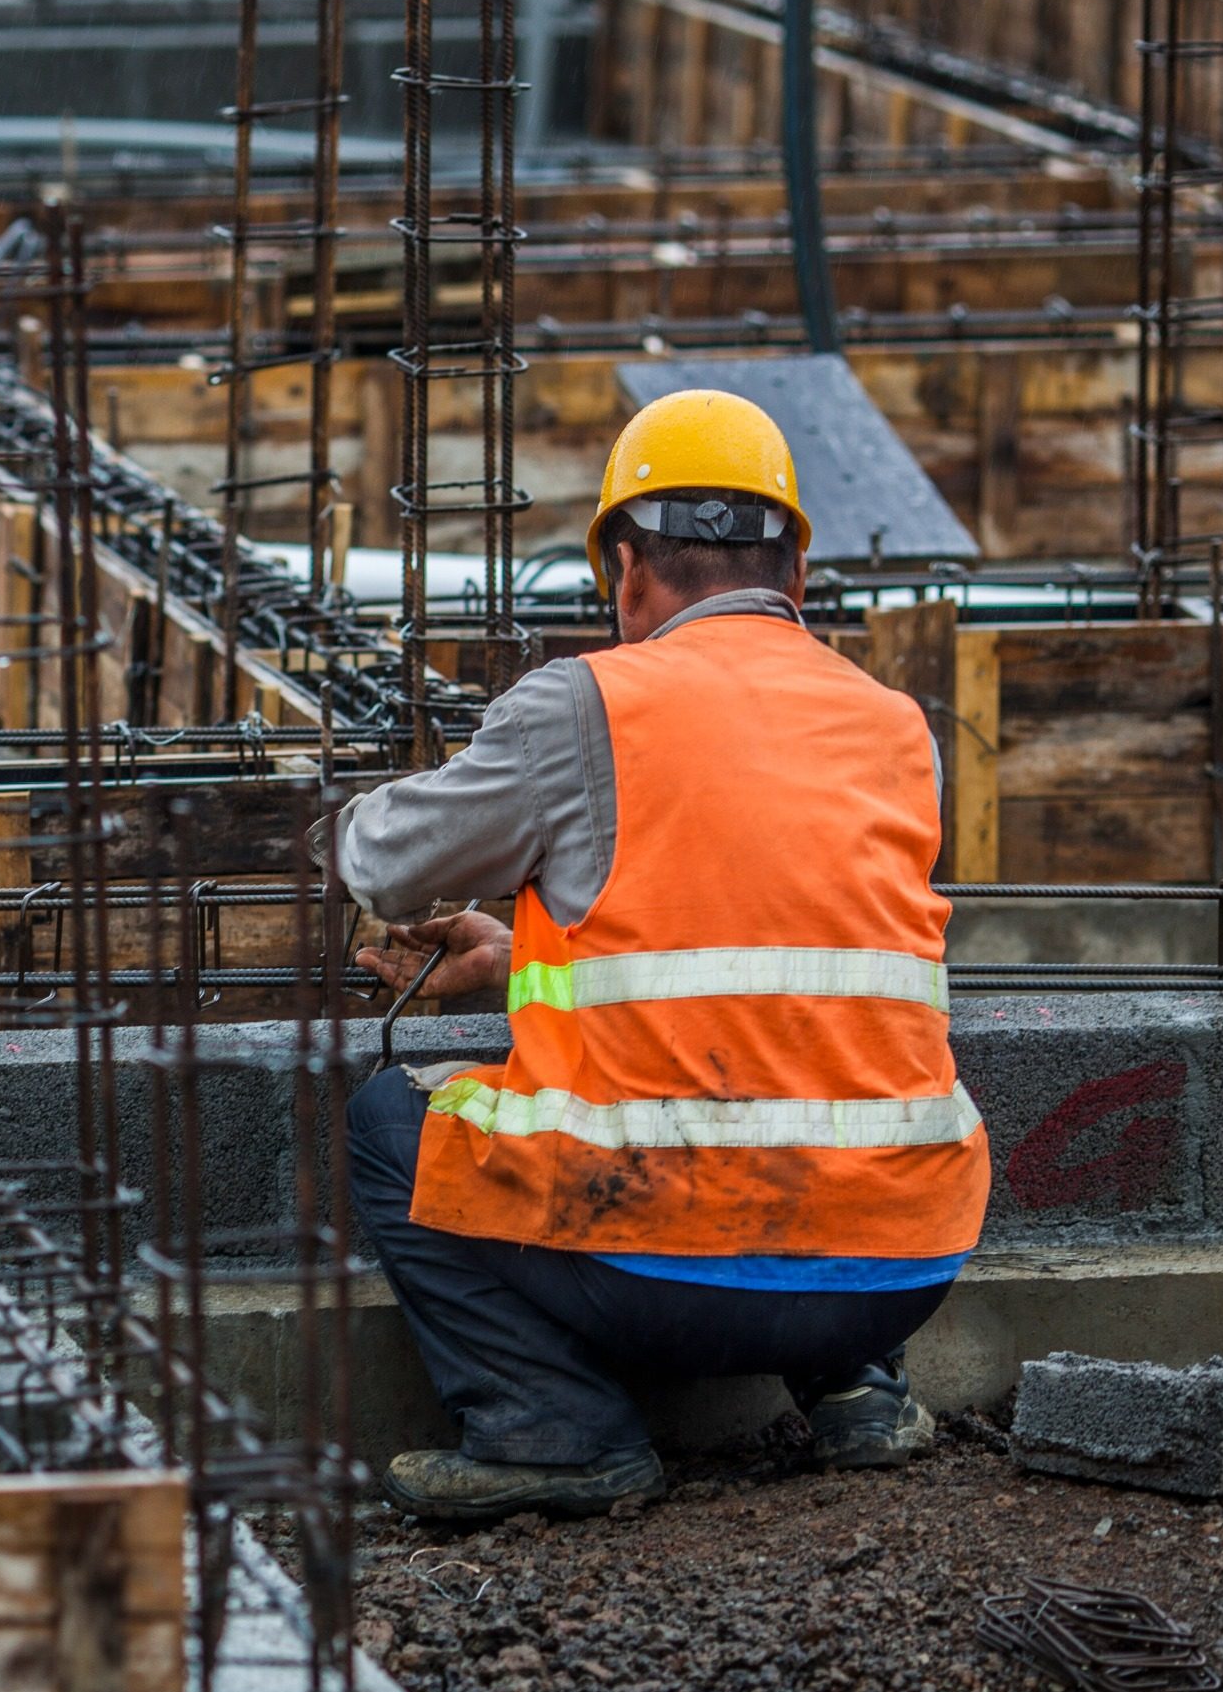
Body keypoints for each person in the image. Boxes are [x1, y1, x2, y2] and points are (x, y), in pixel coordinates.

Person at [331, 389, 990, 1522]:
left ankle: (555, 1434)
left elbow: (388, 865)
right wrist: (516, 956)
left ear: (626, 570)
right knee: (837, 1081)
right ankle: (857, 1394)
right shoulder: (896, 724)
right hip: (903, 1267)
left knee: (388, 1123)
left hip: (662, 1272)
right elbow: (782, 943)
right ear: (794, 573)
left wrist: (332, 815)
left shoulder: (588, 705)